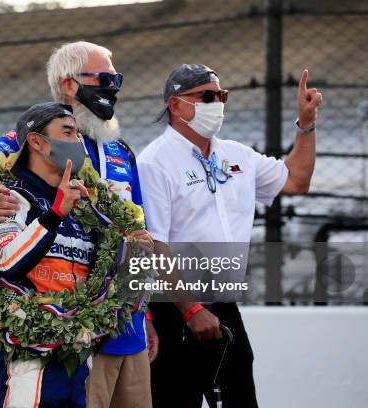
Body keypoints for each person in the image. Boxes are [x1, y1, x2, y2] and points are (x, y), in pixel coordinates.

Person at [0, 41, 157, 408]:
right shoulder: (34, 141)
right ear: (70, 84)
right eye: (104, 78)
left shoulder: (120, 151)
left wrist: (145, 313)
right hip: (70, 338)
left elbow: (137, 235)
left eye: (116, 78)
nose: (114, 87)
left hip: (128, 328)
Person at [138, 64, 322, 408]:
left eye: (221, 96)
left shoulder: (236, 154)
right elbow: (153, 245)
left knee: (240, 399)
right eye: (206, 96)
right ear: (175, 106)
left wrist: (306, 125)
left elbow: (296, 181)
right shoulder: (155, 162)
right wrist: (191, 310)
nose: (217, 103)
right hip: (175, 309)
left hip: (223, 306)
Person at [0, 102, 95, 407]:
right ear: (36, 141)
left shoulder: (84, 204)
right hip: (29, 355)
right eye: (68, 132)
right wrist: (55, 213)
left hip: (78, 355)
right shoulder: (10, 196)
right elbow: (7, 259)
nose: (78, 142)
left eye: (79, 134)